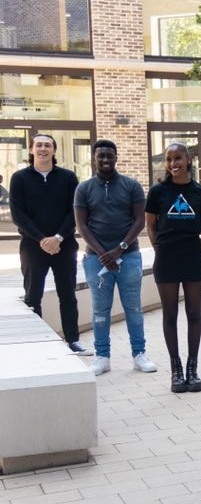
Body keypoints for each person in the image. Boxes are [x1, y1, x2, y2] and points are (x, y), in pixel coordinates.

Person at [74, 140, 157, 376]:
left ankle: (139, 354)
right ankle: (102, 357)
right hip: (96, 259)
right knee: (100, 310)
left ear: (116, 157)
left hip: (128, 256)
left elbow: (139, 221)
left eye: (109, 155)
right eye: (101, 156)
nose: (105, 160)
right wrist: (103, 253)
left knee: (134, 307)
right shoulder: (84, 188)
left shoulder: (131, 186)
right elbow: (81, 225)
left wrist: (119, 249)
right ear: (94, 159)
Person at [9, 134, 91, 355]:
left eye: (47, 145)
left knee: (68, 295)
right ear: (31, 150)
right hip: (32, 247)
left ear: (54, 150)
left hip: (64, 245)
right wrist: (41, 239)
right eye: (39, 145)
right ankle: (37, 343)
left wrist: (58, 237)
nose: (43, 149)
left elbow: (75, 211)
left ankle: (73, 340)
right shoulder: (19, 178)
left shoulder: (68, 177)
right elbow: (18, 215)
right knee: (32, 296)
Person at [145, 142, 201, 393]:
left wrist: (199, 251)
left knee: (194, 313)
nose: (173, 163)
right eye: (169, 159)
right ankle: (176, 371)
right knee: (170, 314)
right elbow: (150, 225)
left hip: (193, 258)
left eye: (178, 158)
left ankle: (192, 369)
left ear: (188, 160)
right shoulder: (158, 192)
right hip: (166, 258)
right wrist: (159, 249)